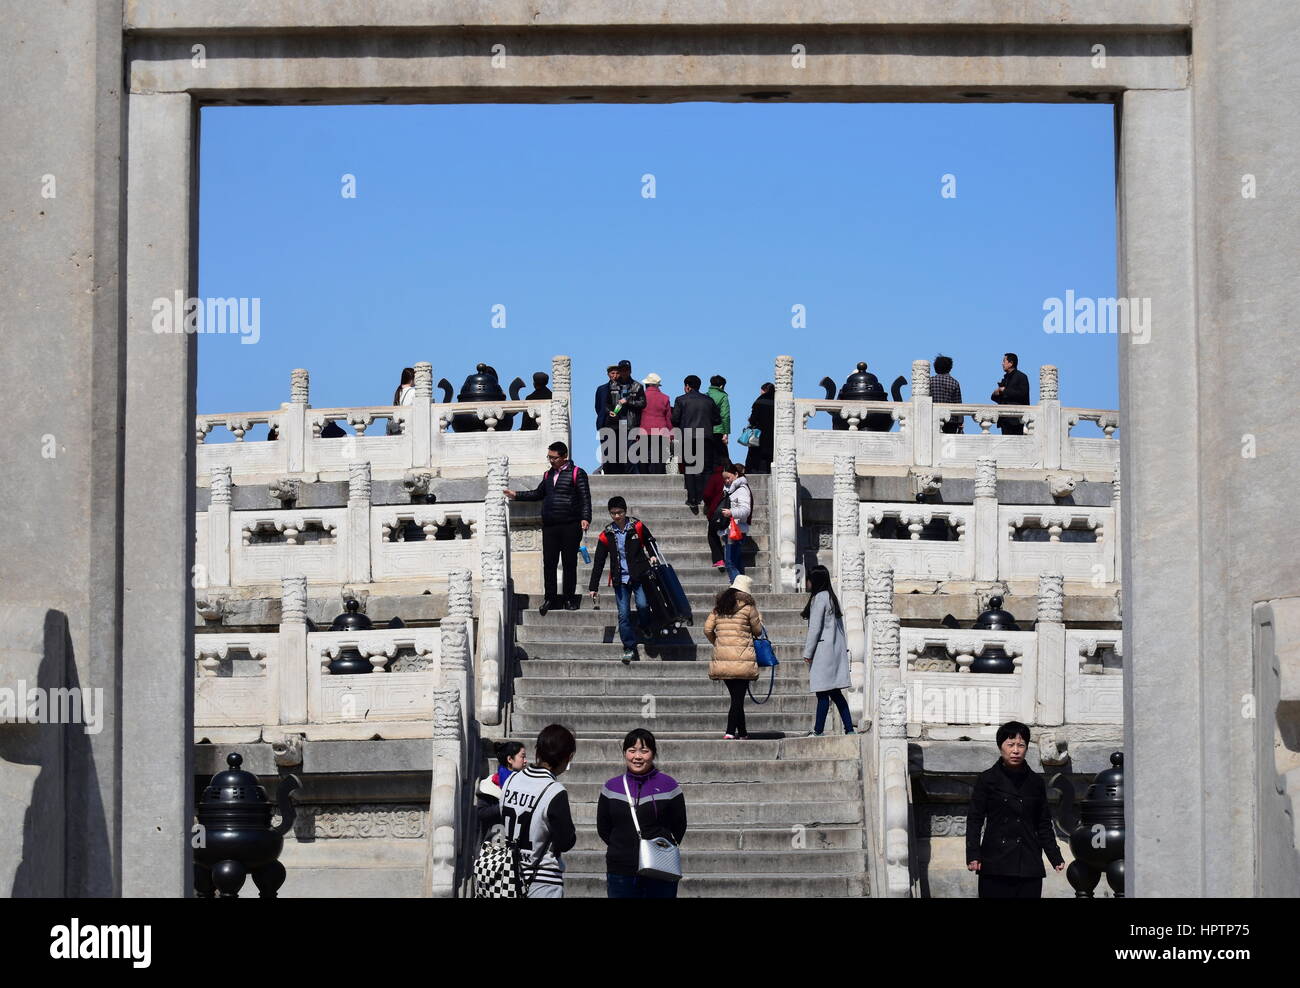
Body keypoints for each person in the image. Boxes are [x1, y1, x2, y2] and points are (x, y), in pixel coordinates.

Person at [965, 720, 1066, 899]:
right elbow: (975, 819)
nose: (1016, 750)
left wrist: (1054, 855)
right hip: (995, 863)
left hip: (1028, 863)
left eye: (1021, 745)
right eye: (1010, 744)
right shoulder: (987, 779)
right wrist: (973, 854)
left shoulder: (1035, 782)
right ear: (1000, 746)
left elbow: (1043, 823)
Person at [596, 728, 687, 898]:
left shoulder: (669, 785)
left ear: (653, 753)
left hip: (660, 869)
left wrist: (662, 846)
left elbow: (679, 825)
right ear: (624, 753)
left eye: (644, 751)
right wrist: (623, 847)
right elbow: (603, 827)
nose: (637, 757)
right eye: (632, 751)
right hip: (621, 870)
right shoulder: (611, 787)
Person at [504, 441, 592, 615]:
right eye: (549, 457)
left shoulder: (577, 473)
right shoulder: (547, 475)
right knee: (549, 563)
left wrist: (585, 518)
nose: (551, 461)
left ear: (564, 456)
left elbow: (585, 498)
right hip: (550, 525)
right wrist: (516, 495)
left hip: (570, 524)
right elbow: (538, 493)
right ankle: (550, 598)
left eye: (554, 458)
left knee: (569, 563)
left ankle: (569, 598)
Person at [495, 724, 578, 898]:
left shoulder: (511, 780)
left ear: (537, 752)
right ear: (568, 758)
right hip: (542, 880)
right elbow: (565, 841)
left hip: (508, 875)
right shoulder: (555, 791)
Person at [589, 496, 660, 664]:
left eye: (619, 512)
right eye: (612, 513)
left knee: (643, 604)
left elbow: (650, 542)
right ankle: (629, 647)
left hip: (639, 574)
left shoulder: (637, 526)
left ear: (625, 511)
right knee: (623, 614)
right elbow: (598, 562)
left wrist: (653, 555)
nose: (616, 516)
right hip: (620, 578)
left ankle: (645, 626)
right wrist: (593, 586)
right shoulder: (606, 534)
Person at [703, 574, 763, 740]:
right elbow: (758, 631)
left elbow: (707, 629)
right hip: (743, 658)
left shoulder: (719, 607)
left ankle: (742, 732)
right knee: (738, 698)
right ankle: (730, 731)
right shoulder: (749, 608)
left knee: (737, 697)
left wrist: (718, 643)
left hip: (723, 658)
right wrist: (759, 619)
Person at [800, 566, 855, 736]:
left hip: (823, 652)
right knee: (835, 693)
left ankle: (818, 730)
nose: (806, 582)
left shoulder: (819, 599)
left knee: (823, 693)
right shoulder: (831, 597)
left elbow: (815, 629)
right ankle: (849, 728)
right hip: (834, 651)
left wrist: (808, 653)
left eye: (808, 579)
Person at [671, 375, 721, 512]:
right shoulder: (709, 400)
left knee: (690, 467)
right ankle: (705, 498)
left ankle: (692, 499)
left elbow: (674, 420)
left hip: (687, 437)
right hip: (705, 438)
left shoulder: (680, 400)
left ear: (687, 386)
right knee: (705, 470)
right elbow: (717, 420)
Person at [604, 359, 646, 474]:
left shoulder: (637, 386)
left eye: (626, 370)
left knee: (630, 451)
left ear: (630, 371)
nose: (624, 372)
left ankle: (631, 475)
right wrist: (609, 412)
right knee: (617, 451)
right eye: (622, 370)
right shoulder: (612, 385)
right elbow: (606, 403)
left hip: (631, 422)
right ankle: (620, 475)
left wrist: (628, 401)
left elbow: (642, 403)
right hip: (616, 423)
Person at [718, 463, 752, 582]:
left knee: (730, 562)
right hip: (731, 529)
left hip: (736, 529)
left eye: (729, 477)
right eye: (725, 479)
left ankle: (736, 588)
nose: (727, 481)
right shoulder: (729, 489)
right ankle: (741, 588)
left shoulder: (741, 489)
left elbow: (746, 510)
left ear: (736, 474)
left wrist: (731, 512)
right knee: (736, 561)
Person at [639, 373, 673, 474]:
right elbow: (668, 418)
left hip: (644, 430)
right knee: (659, 457)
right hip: (661, 431)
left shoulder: (641, 397)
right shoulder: (665, 398)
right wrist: (671, 434)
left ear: (647, 385)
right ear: (657, 386)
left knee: (643, 457)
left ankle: (644, 481)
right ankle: (659, 481)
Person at [990, 352, 1031, 436]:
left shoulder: (1021, 377)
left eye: (1004, 361)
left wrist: (1004, 390)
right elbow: (994, 397)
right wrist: (996, 393)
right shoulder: (1006, 378)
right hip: (1004, 419)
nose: (1002, 363)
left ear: (1011, 363)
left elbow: (1022, 394)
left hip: (1016, 420)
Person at [744, 382, 775, 474]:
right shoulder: (777, 401)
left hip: (758, 434)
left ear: (764, 390)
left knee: (755, 456)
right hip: (773, 435)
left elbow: (753, 419)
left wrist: (750, 420)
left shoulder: (759, 401)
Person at [930, 355, 964, 434]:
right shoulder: (954, 383)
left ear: (935, 367)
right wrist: (960, 422)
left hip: (933, 418)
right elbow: (958, 404)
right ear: (950, 368)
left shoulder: (930, 382)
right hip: (951, 420)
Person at [703, 462, 727, 569]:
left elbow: (707, 494)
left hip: (717, 512)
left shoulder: (715, 477)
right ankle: (729, 558)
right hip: (732, 511)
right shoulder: (735, 477)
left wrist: (709, 504)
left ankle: (719, 559)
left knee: (712, 534)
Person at [595, 365, 619, 471]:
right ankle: (607, 469)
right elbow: (598, 406)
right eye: (612, 373)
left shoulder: (623, 388)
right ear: (608, 374)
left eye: (617, 373)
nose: (615, 375)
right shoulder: (601, 389)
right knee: (606, 450)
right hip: (605, 423)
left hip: (619, 424)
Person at [707, 374, 731, 472]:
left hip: (706, 430)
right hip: (719, 430)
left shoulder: (705, 395)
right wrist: (726, 433)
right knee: (722, 456)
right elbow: (725, 415)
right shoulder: (723, 396)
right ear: (721, 386)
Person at [387, 366, 416, 435]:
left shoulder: (399, 391)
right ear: (412, 379)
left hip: (397, 427)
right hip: (407, 427)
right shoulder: (413, 392)